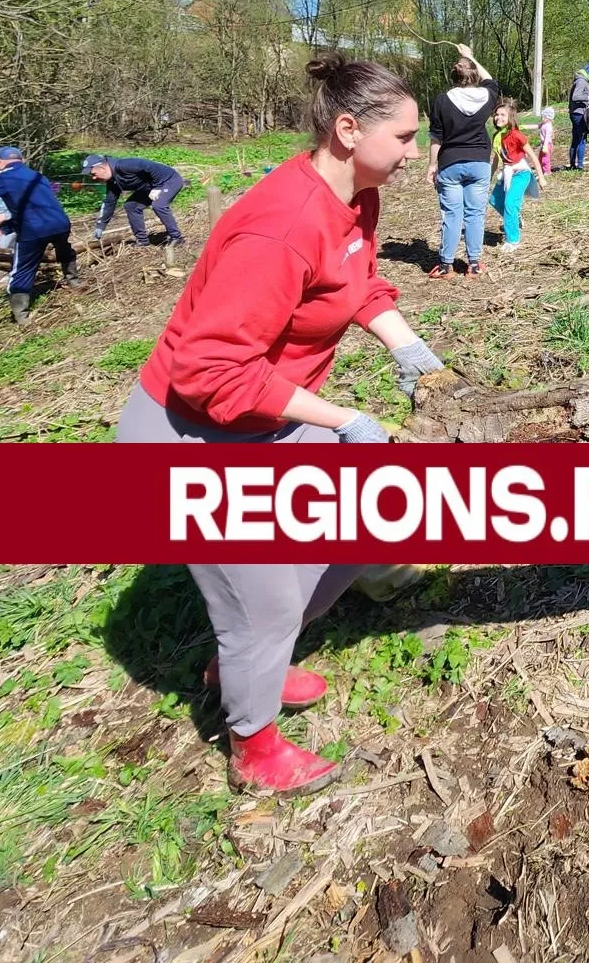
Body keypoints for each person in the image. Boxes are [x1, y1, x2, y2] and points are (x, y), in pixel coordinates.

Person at [115, 53, 447, 795]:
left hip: (262, 415)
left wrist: (407, 345)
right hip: (187, 433)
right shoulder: (282, 225)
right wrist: (345, 418)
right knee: (262, 597)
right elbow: (210, 372)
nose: (415, 151)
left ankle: (242, 664)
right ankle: (255, 748)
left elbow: (356, 284)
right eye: (404, 137)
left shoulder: (355, 196)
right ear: (348, 128)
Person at [0, 146, 81, 324]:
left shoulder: (2, 177)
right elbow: (31, 207)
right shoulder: (38, 176)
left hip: (34, 229)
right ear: (21, 160)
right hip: (60, 222)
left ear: (0, 162)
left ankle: (21, 316)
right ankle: (75, 282)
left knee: (22, 268)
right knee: (64, 249)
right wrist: (5, 228)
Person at [426, 44, 497, 279]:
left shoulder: (441, 100)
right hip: (479, 163)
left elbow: (437, 136)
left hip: (450, 163)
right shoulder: (487, 96)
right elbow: (491, 80)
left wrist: (432, 165)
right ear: (474, 73)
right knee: (475, 214)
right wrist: (471, 57)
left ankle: (446, 265)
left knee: (451, 214)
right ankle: (474, 264)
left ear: (453, 76)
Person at [84, 153, 187, 248]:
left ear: (102, 167)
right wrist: (100, 225)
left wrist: (158, 187)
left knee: (158, 205)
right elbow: (109, 203)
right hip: (149, 188)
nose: (93, 178)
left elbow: (150, 166)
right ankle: (142, 241)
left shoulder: (124, 165)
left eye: (94, 174)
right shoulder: (113, 181)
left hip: (169, 181)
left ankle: (176, 238)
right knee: (131, 206)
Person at [488, 97, 536, 254]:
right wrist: (489, 178)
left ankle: (513, 240)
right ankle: (515, 219)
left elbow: (532, 156)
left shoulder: (516, 135)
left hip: (521, 173)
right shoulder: (497, 136)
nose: (498, 117)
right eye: (497, 114)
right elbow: (496, 160)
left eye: (503, 115)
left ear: (510, 118)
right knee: (494, 200)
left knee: (510, 204)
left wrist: (541, 177)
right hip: (507, 172)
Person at [567, 62, 589, 169]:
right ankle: (579, 165)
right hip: (578, 113)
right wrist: (588, 97)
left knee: (576, 139)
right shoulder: (581, 81)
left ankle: (572, 165)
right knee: (581, 139)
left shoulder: (583, 80)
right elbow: (576, 97)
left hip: (576, 112)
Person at [537, 106, 556, 176]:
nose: (542, 118)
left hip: (547, 144)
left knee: (545, 159)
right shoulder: (543, 124)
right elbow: (537, 126)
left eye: (543, 117)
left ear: (548, 118)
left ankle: (547, 171)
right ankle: (542, 170)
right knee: (540, 158)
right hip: (543, 145)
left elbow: (547, 137)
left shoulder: (548, 126)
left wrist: (545, 146)